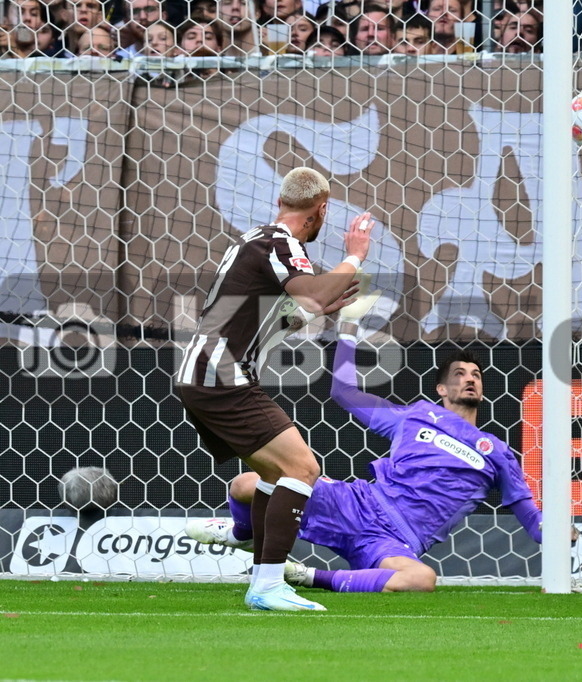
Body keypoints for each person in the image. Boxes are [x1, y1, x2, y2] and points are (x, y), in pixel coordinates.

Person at [187, 294, 544, 594]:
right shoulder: (414, 417)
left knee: (422, 579)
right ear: (441, 389)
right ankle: (241, 533)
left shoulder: (495, 451)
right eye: (460, 374)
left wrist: (557, 533)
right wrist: (348, 327)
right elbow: (343, 392)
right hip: (356, 503)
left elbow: (528, 513)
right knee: (245, 485)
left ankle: (307, 576)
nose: (470, 380)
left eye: (477, 375)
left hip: (395, 541)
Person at [176, 167, 374, 611]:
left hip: (209, 373)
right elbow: (312, 292)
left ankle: (260, 570)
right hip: (222, 375)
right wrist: (355, 255)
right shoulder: (280, 242)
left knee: (274, 474)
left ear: (281, 201)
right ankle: (266, 584)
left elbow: (265, 313)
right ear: (320, 210)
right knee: (303, 469)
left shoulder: (255, 239)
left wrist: (308, 313)